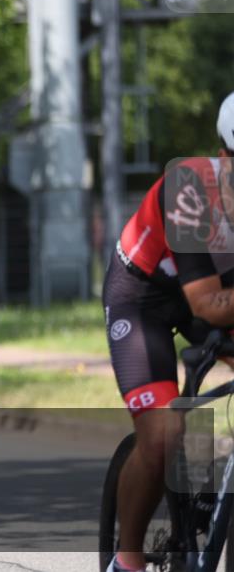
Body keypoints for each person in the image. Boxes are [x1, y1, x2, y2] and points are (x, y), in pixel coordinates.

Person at [105, 91, 234, 572]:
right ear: (224, 155)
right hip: (145, 300)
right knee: (162, 435)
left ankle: (204, 491)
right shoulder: (190, 192)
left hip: (219, 288)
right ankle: (127, 560)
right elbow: (209, 307)